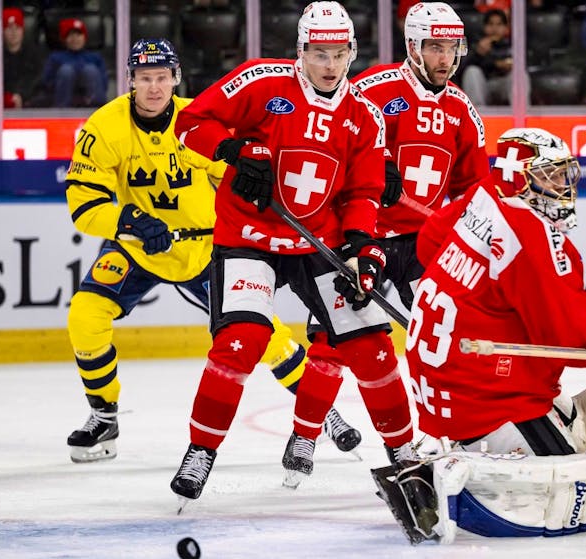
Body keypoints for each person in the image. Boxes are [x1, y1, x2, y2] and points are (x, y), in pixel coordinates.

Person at [374, 128, 586, 544]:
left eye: (565, 174)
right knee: (578, 498)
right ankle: (451, 470)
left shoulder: (482, 198)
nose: (563, 186)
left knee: (571, 421)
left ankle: (452, 447)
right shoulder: (526, 229)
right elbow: (569, 333)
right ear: (521, 178)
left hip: (443, 389)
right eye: (550, 175)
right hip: (483, 399)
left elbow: (430, 243)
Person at [62, 38, 361, 465]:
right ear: (130, 81)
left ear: (175, 79)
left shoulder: (195, 120)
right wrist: (129, 221)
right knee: (85, 316)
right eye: (144, 78)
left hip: (205, 247)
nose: (153, 88)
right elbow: (84, 205)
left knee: (263, 336)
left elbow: (235, 178)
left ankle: (322, 411)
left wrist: (253, 189)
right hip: (137, 247)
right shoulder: (103, 128)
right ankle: (103, 415)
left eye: (161, 78)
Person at [168, 1, 418, 508]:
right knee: (242, 339)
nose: (329, 65)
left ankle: (404, 453)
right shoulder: (261, 82)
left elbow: (364, 193)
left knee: (371, 348)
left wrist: (363, 250)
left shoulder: (365, 117)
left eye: (339, 54)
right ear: (300, 51)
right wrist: (232, 151)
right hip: (249, 235)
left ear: (352, 52)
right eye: (318, 53)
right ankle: (200, 451)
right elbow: (192, 123)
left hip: (318, 243)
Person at [297, 1, 490, 439]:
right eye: (435, 47)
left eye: (452, 47)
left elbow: (474, 190)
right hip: (363, 236)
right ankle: (305, 433)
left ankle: (457, 428)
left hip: (424, 241)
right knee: (333, 343)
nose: (445, 58)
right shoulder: (373, 88)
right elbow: (329, 134)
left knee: (449, 335)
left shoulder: (462, 110)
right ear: (413, 47)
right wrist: (371, 162)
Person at [39, 17, 107, 108]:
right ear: (64, 39)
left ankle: (98, 110)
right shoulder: (55, 58)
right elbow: (47, 84)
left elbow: (104, 84)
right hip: (62, 106)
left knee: (90, 70)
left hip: (92, 107)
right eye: (71, 35)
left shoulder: (95, 58)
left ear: (84, 37)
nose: (75, 39)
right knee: (66, 71)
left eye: (78, 35)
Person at [460, 9, 512, 106]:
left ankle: (523, 117)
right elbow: (462, 68)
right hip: (483, 85)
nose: (494, 28)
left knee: (519, 75)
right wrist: (478, 53)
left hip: (504, 84)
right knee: (472, 71)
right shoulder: (477, 42)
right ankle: (477, 117)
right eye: (490, 24)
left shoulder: (512, 44)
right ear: (484, 27)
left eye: (499, 24)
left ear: (506, 28)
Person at [2, 7, 47, 109]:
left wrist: (20, 95)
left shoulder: (35, 53)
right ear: (3, 32)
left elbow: (36, 79)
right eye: (9, 28)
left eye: (17, 28)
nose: (14, 33)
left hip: (29, 97)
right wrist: (7, 97)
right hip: (4, 99)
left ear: (22, 30)